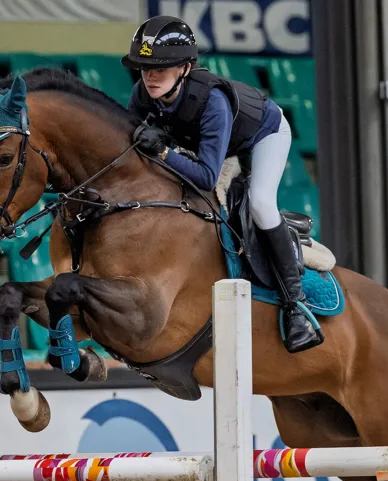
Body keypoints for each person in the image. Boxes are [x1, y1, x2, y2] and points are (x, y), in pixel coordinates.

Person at [120, 15, 323, 354]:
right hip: (209, 145)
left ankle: (295, 304)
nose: (150, 76)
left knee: (259, 203)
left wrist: (164, 150)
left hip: (262, 134)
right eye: (144, 68)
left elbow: (204, 176)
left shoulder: (211, 101)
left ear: (185, 68)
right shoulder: (142, 95)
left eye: (161, 68)